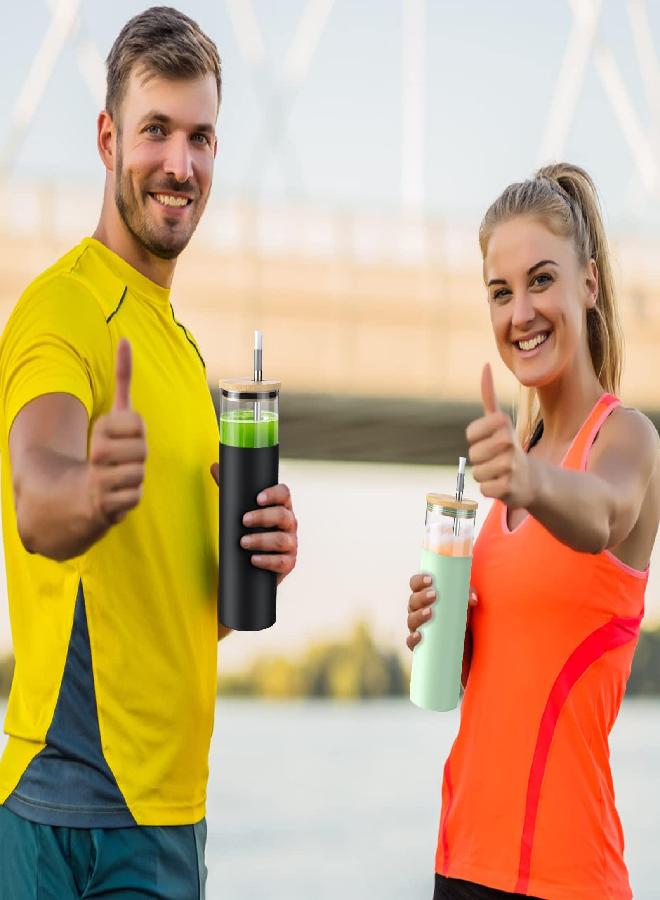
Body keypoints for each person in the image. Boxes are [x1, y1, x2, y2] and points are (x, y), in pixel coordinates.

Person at [0, 7, 298, 897]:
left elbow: (178, 611)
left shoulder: (184, 354)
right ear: (107, 138)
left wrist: (258, 559)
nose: (179, 163)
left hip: (171, 817)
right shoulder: (62, 310)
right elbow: (37, 497)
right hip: (68, 821)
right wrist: (92, 489)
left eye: (200, 137)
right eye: (155, 130)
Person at [407, 163, 659, 900]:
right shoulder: (515, 473)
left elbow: (603, 514)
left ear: (589, 283)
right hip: (460, 862)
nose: (521, 312)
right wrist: (444, 634)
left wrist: (529, 480)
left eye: (541, 280)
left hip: (566, 879)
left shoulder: (625, 440)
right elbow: (502, 683)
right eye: (500, 291)